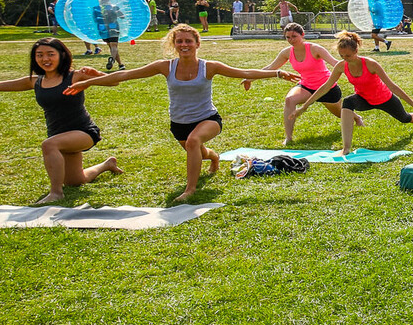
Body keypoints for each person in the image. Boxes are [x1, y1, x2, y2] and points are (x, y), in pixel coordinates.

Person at [70, 24, 296, 201]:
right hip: (179, 123)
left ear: (197, 43)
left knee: (193, 142)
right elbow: (125, 75)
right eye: (179, 41)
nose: (184, 44)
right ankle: (214, 157)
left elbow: (243, 71)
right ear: (174, 44)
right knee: (197, 149)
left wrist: (277, 73)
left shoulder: (210, 66)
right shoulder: (164, 66)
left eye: (189, 41)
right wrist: (90, 82)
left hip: (208, 119)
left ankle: (190, 189)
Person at [0, 38, 122, 203]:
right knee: (75, 181)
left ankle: (55, 194)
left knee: (49, 145)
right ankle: (107, 164)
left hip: (83, 132)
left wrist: (96, 75)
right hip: (60, 137)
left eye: (50, 54)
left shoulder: (75, 76)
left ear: (62, 55)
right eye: (40, 55)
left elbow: (114, 82)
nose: (45, 59)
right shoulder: (35, 81)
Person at [295, 30, 413, 154]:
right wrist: (304, 106)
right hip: (364, 99)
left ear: (356, 51)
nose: (345, 59)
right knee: (348, 102)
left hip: (384, 98)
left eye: (348, 56)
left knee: (405, 118)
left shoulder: (371, 64)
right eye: (342, 56)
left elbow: (393, 86)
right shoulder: (341, 66)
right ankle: (346, 147)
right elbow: (325, 87)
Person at [251, 21, 343, 144]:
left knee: (341, 114)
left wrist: (356, 69)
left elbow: (335, 63)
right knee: (290, 99)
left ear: (302, 35)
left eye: (294, 36)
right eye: (288, 37)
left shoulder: (315, 48)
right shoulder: (287, 52)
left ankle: (356, 118)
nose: (291, 40)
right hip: (306, 86)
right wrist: (250, 78)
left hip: (326, 88)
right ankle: (288, 138)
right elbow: (271, 68)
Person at [93, 0, 128, 71]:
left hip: (103, 29)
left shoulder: (96, 8)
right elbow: (122, 16)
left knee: (112, 47)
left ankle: (120, 64)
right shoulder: (114, 7)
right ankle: (112, 59)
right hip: (113, 27)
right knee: (114, 46)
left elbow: (95, 19)